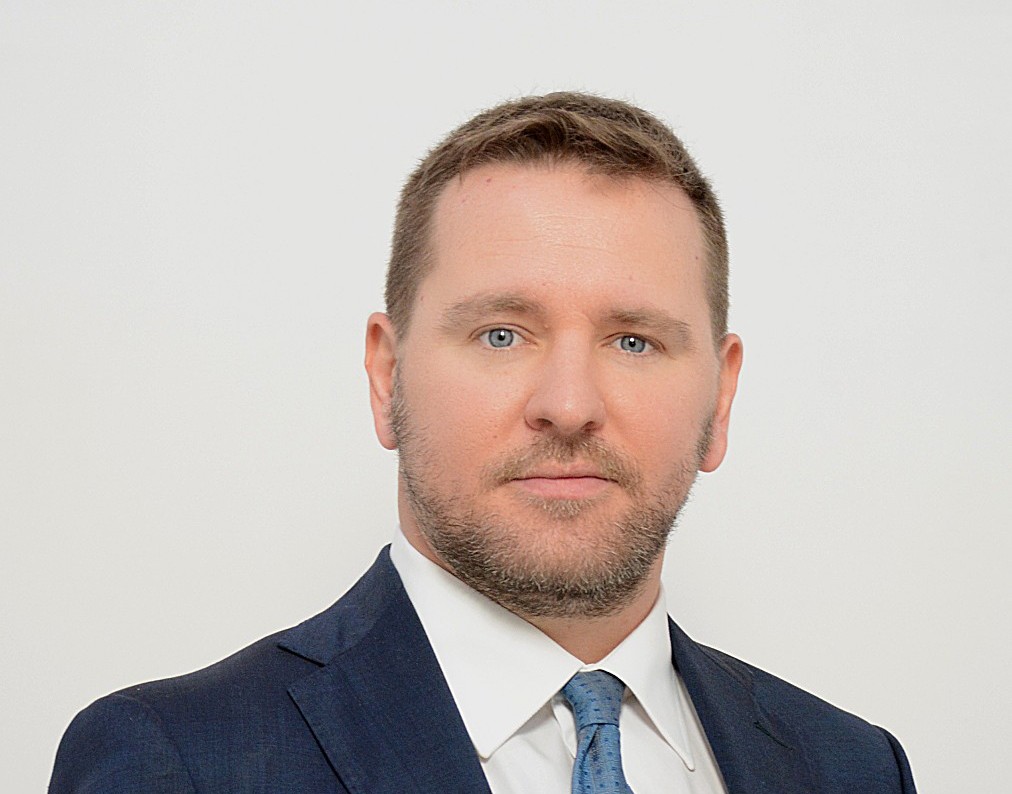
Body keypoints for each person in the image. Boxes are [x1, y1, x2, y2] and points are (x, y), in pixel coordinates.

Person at [50, 92, 916, 793]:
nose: (569, 405)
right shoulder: (177, 761)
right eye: (502, 334)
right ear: (387, 376)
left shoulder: (852, 769)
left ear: (720, 400)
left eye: (633, 341)